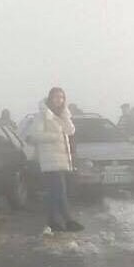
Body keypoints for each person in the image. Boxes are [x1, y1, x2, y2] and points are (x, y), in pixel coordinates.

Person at [28, 87, 84, 232]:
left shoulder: (62, 114)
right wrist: (54, 136)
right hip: (50, 159)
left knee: (54, 192)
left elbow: (71, 131)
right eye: (56, 97)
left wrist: (65, 116)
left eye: (61, 97)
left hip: (63, 160)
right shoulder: (42, 115)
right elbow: (34, 135)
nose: (59, 100)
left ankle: (53, 221)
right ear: (50, 98)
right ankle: (68, 220)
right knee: (60, 190)